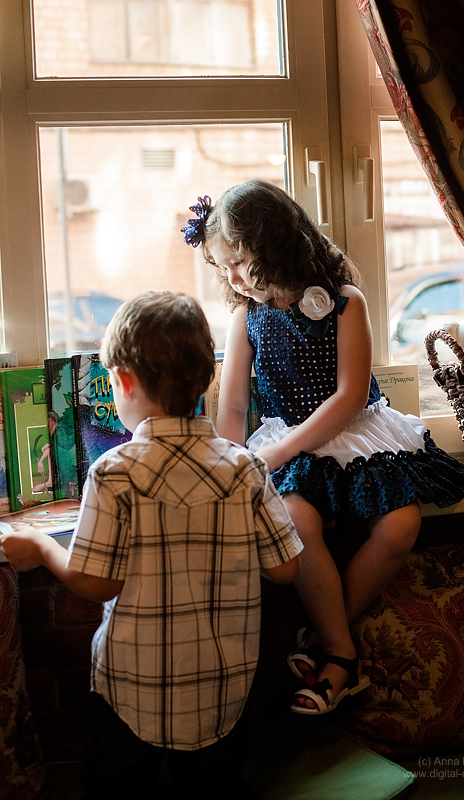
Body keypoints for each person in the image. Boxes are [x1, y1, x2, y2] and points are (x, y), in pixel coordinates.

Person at [181, 180, 464, 716]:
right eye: (223, 268)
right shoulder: (247, 318)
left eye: (240, 263)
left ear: (275, 246)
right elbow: (232, 408)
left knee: (400, 525)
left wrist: (276, 455)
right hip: (289, 441)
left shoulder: (344, 302)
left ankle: (321, 640)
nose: (232, 278)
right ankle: (342, 657)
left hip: (355, 434)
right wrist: (230, 466)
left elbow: (349, 398)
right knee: (297, 520)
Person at [0, 290, 303, 800]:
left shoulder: (115, 473)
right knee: (216, 787)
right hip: (224, 685)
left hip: (131, 688)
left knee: (116, 788)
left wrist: (42, 549)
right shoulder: (246, 468)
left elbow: (98, 583)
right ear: (207, 378)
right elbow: (286, 570)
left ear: (123, 381)